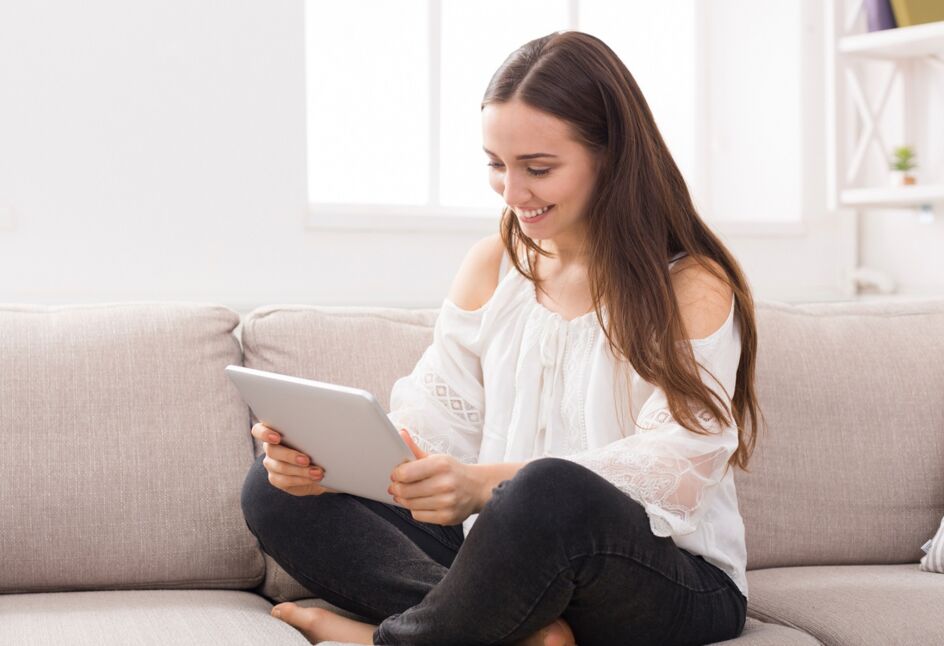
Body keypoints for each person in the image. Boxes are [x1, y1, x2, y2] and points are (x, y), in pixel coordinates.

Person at [239, 30, 762, 646]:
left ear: (611, 155)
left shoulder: (692, 285)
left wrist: (489, 484)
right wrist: (330, 464)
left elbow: (677, 467)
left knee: (546, 490)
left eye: (538, 169)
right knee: (272, 491)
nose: (513, 195)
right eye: (496, 165)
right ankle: (517, 633)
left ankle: (389, 640)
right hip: (501, 561)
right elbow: (431, 426)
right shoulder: (494, 266)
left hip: (665, 578)